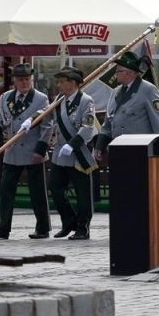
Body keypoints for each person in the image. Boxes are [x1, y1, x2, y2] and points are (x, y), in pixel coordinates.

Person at [0, 63, 52, 240]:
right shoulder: (5, 98)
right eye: (21, 79)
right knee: (6, 190)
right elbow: (1, 120)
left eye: (27, 79)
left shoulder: (41, 99)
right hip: (12, 151)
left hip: (33, 151)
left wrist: (40, 150)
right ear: (15, 81)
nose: (25, 82)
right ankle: (3, 228)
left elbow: (47, 126)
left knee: (38, 192)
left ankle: (43, 227)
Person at [46, 66, 98, 240]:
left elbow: (88, 126)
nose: (59, 85)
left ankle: (83, 227)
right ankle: (69, 221)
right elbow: (49, 116)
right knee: (55, 187)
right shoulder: (59, 100)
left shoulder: (86, 101)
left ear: (73, 83)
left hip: (78, 152)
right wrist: (33, 119)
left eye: (62, 81)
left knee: (83, 193)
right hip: (61, 153)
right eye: (59, 82)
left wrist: (73, 144)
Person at [99, 50, 159, 155]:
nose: (116, 74)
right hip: (118, 151)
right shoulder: (115, 92)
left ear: (128, 73)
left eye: (118, 71)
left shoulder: (147, 90)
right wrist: (100, 145)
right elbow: (108, 123)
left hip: (140, 152)